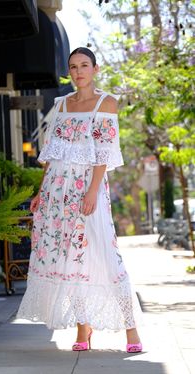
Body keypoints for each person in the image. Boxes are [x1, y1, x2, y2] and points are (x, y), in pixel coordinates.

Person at [17, 47, 143, 353]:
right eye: (73, 67)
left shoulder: (107, 103)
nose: (78, 71)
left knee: (105, 255)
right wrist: (40, 192)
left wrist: (92, 191)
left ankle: (132, 332)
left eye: (84, 65)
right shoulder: (60, 106)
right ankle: (82, 329)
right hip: (57, 193)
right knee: (70, 256)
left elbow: (104, 153)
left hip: (89, 189)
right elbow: (51, 154)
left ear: (95, 69)